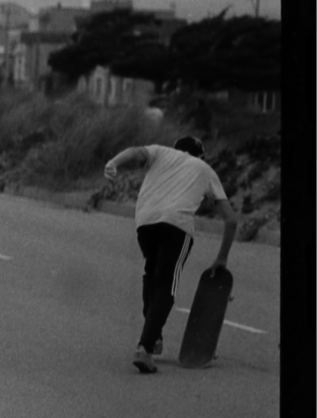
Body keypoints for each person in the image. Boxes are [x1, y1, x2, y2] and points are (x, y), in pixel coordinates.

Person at [102, 134, 238, 372]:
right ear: (200, 155)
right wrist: (222, 258)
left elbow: (134, 151)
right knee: (166, 285)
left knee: (151, 275)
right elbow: (231, 220)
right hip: (177, 227)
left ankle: (153, 338)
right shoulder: (204, 169)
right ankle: (145, 348)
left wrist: (113, 163)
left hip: (146, 222)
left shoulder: (160, 152)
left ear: (176, 149)